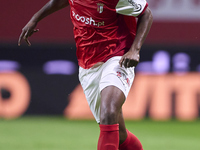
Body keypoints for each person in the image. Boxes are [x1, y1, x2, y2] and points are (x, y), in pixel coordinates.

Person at [18, 0, 153, 150]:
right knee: (119, 135)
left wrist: (135, 49)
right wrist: (35, 19)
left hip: (118, 56)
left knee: (108, 112)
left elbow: (146, 13)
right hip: (88, 65)